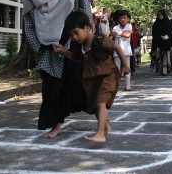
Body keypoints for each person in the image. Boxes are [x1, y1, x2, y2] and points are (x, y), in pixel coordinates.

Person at [22, 0, 90, 138]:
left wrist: (81, 39)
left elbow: (85, 12)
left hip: (73, 42)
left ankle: (102, 120)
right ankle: (55, 125)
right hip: (48, 49)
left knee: (83, 85)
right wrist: (41, 46)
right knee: (51, 90)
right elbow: (28, 23)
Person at [55, 11, 130, 143]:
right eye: (71, 34)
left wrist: (125, 65)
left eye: (76, 32)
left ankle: (100, 134)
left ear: (87, 28)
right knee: (96, 104)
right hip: (94, 79)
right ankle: (105, 126)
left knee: (101, 102)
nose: (74, 37)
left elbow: (117, 48)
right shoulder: (80, 47)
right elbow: (76, 58)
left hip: (109, 75)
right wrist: (64, 52)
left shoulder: (99, 40)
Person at [151, 10, 172, 76]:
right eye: (158, 15)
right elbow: (154, 33)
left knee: (171, 57)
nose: (160, 16)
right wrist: (160, 36)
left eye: (161, 14)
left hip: (168, 43)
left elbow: (171, 33)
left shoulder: (168, 23)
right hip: (159, 43)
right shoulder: (156, 24)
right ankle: (163, 71)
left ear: (164, 15)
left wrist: (168, 37)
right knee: (161, 57)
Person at [112, 10, 133, 91]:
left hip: (127, 51)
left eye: (125, 18)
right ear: (118, 19)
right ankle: (115, 86)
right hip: (117, 51)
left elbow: (128, 34)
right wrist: (123, 33)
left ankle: (128, 85)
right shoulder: (115, 27)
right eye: (121, 18)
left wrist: (119, 33)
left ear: (128, 19)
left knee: (127, 67)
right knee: (117, 68)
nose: (123, 19)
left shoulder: (129, 26)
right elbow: (113, 34)